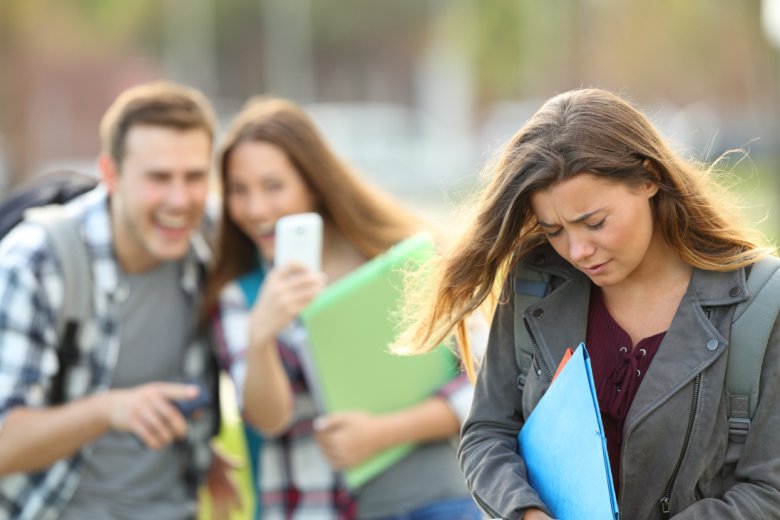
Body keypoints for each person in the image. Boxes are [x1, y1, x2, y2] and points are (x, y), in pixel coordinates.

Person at [396, 88, 780, 519]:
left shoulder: (765, 306)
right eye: (554, 230)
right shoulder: (533, 282)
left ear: (649, 178)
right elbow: (488, 432)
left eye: (594, 222)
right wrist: (525, 512)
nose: (577, 250)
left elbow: (769, 490)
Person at [202, 96, 483, 520]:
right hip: (309, 508)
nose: (256, 209)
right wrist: (262, 335)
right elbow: (267, 418)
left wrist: (379, 434)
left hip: (427, 502)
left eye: (273, 186)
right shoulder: (240, 295)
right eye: (239, 191)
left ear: (314, 182)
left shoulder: (400, 262)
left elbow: (480, 385)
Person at [0, 81, 239, 519]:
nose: (179, 200)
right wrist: (109, 410)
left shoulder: (211, 238)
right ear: (110, 174)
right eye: (158, 178)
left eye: (194, 176)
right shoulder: (37, 262)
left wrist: (200, 450)